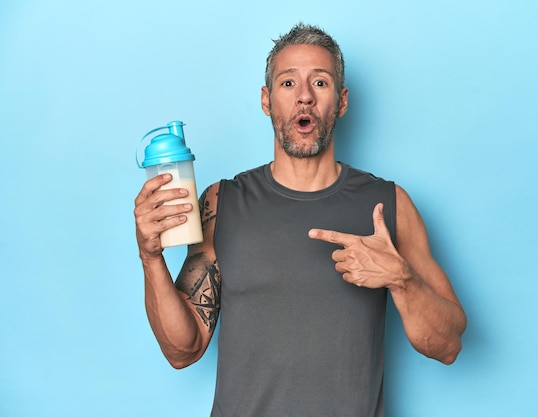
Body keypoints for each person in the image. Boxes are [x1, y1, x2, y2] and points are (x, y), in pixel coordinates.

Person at [134, 23, 466, 417]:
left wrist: (401, 278)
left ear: (341, 102)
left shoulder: (388, 205)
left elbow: (448, 346)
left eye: (320, 83)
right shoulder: (222, 204)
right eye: (288, 83)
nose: (304, 97)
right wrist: (150, 257)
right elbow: (182, 351)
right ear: (266, 100)